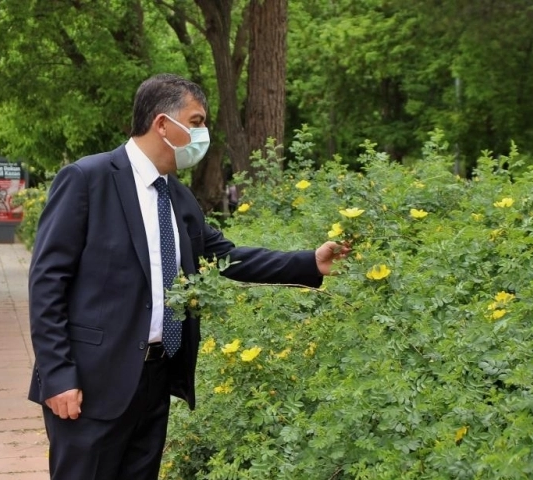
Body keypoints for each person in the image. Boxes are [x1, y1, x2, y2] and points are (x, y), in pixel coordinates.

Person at [27, 73, 350, 480]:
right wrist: (58, 375)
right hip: (92, 382)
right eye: (196, 121)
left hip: (155, 378)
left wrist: (310, 263)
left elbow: (227, 257)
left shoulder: (177, 196)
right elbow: (47, 282)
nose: (203, 133)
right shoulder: (88, 179)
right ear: (163, 124)